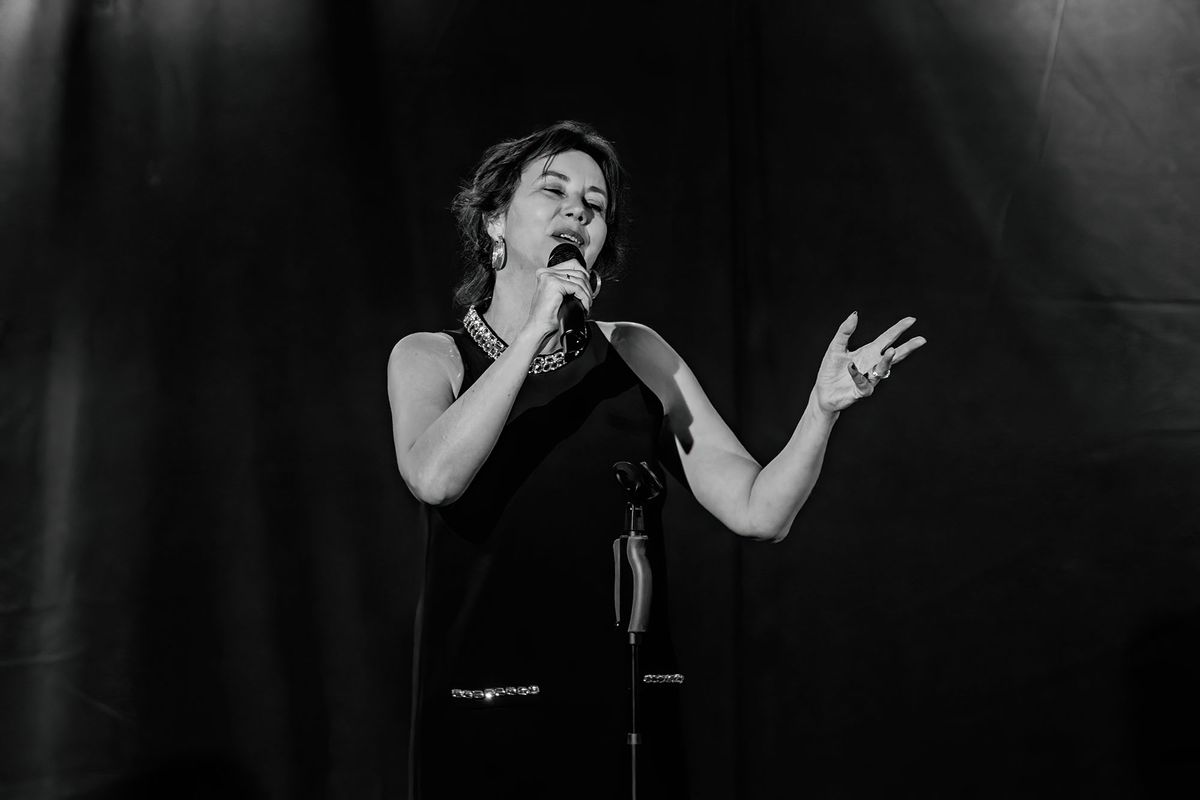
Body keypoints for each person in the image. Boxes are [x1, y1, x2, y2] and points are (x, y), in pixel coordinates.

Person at [387, 120, 925, 799]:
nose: (578, 211)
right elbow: (435, 478)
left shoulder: (637, 354)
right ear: (494, 220)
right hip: (486, 703)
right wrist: (533, 334)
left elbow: (759, 512)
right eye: (553, 192)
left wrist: (822, 410)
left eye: (595, 203)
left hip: (619, 710)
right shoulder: (430, 357)